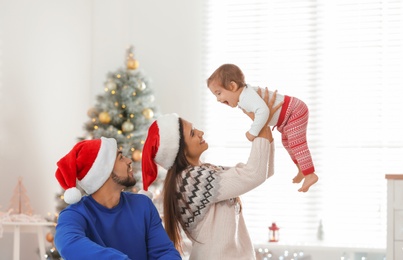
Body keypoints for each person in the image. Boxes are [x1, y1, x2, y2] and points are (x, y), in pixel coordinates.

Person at [138, 88, 278, 260]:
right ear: (180, 150)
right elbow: (254, 174)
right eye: (192, 133)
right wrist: (260, 121)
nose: (200, 133)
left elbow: (264, 170)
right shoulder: (190, 180)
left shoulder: (206, 172)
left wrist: (264, 125)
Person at [53, 137, 181, 260]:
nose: (129, 161)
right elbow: (68, 244)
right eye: (120, 158)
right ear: (104, 171)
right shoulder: (74, 214)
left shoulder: (143, 205)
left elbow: (164, 252)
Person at [207, 63, 318, 192]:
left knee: (296, 143)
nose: (218, 99)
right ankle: (302, 169)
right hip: (288, 116)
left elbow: (263, 111)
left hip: (294, 111)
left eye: (219, 93)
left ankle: (310, 174)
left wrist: (252, 132)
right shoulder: (244, 97)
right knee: (287, 143)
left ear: (232, 86)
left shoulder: (245, 97)